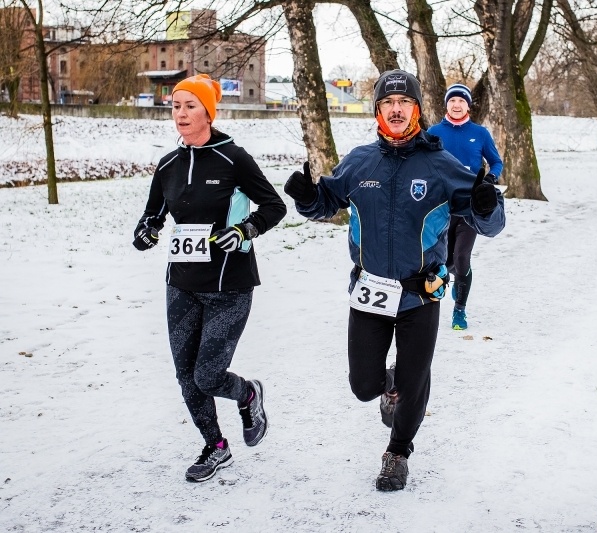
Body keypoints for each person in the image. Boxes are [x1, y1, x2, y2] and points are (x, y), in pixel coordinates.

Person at [282, 69, 505, 492]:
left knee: (414, 380)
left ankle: (397, 452)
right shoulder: (360, 161)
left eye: (405, 102)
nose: (396, 109)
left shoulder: (441, 165)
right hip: (369, 292)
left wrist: (485, 204)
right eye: (388, 103)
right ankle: (389, 384)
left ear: (417, 110)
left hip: (421, 295)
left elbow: (490, 224)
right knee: (363, 386)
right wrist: (308, 197)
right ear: (379, 111)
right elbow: (324, 203)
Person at [131, 74, 287, 482]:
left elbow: (274, 206)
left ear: (208, 112)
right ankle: (215, 446)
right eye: (176, 107)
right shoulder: (167, 165)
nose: (181, 114)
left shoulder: (233, 157)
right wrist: (145, 232)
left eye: (190, 106)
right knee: (186, 376)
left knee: (208, 375)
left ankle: (248, 393)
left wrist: (244, 231)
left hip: (229, 286)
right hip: (181, 285)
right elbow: (152, 217)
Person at [427, 83, 503, 330]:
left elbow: (496, 162)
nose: (456, 105)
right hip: (440, 208)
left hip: (469, 208)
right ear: (446, 104)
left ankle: (459, 310)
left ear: (468, 105)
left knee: (461, 257)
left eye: (461, 101)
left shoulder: (480, 133)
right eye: (452, 101)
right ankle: (449, 286)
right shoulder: (434, 132)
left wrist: (490, 180)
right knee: (443, 259)